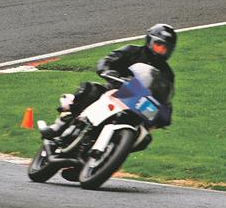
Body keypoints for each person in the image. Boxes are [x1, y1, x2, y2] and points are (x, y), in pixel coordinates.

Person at [40, 24, 176, 139]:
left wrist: (165, 113)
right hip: (114, 90)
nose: (161, 50)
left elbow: (165, 98)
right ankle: (60, 124)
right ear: (149, 41)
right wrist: (107, 69)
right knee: (90, 90)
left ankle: (109, 156)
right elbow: (107, 60)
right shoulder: (132, 51)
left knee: (145, 137)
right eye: (158, 45)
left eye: (165, 48)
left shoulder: (167, 73)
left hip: (137, 106)